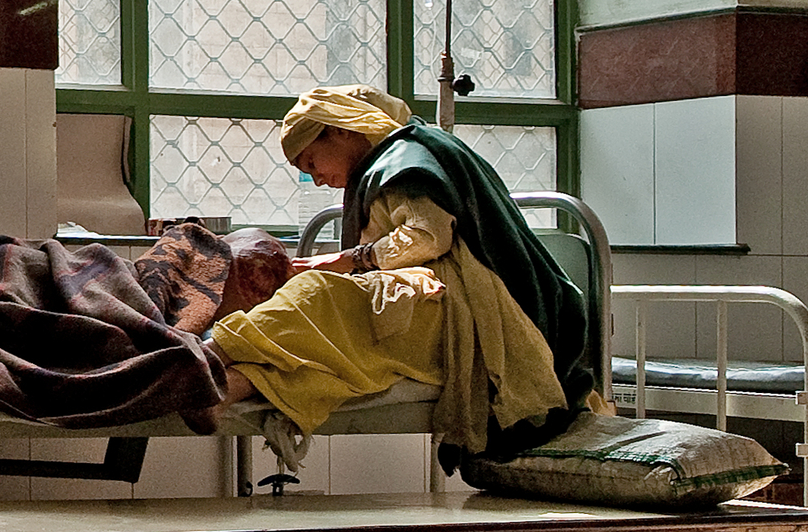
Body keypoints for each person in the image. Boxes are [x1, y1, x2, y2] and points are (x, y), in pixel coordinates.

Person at [202, 86, 594, 472]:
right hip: (423, 303)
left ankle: (208, 357)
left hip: (457, 308)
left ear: (338, 129)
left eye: (311, 162)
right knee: (327, 355)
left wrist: (347, 261)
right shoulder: (387, 164)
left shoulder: (406, 161)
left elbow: (429, 236)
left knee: (316, 293)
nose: (317, 179)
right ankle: (228, 387)